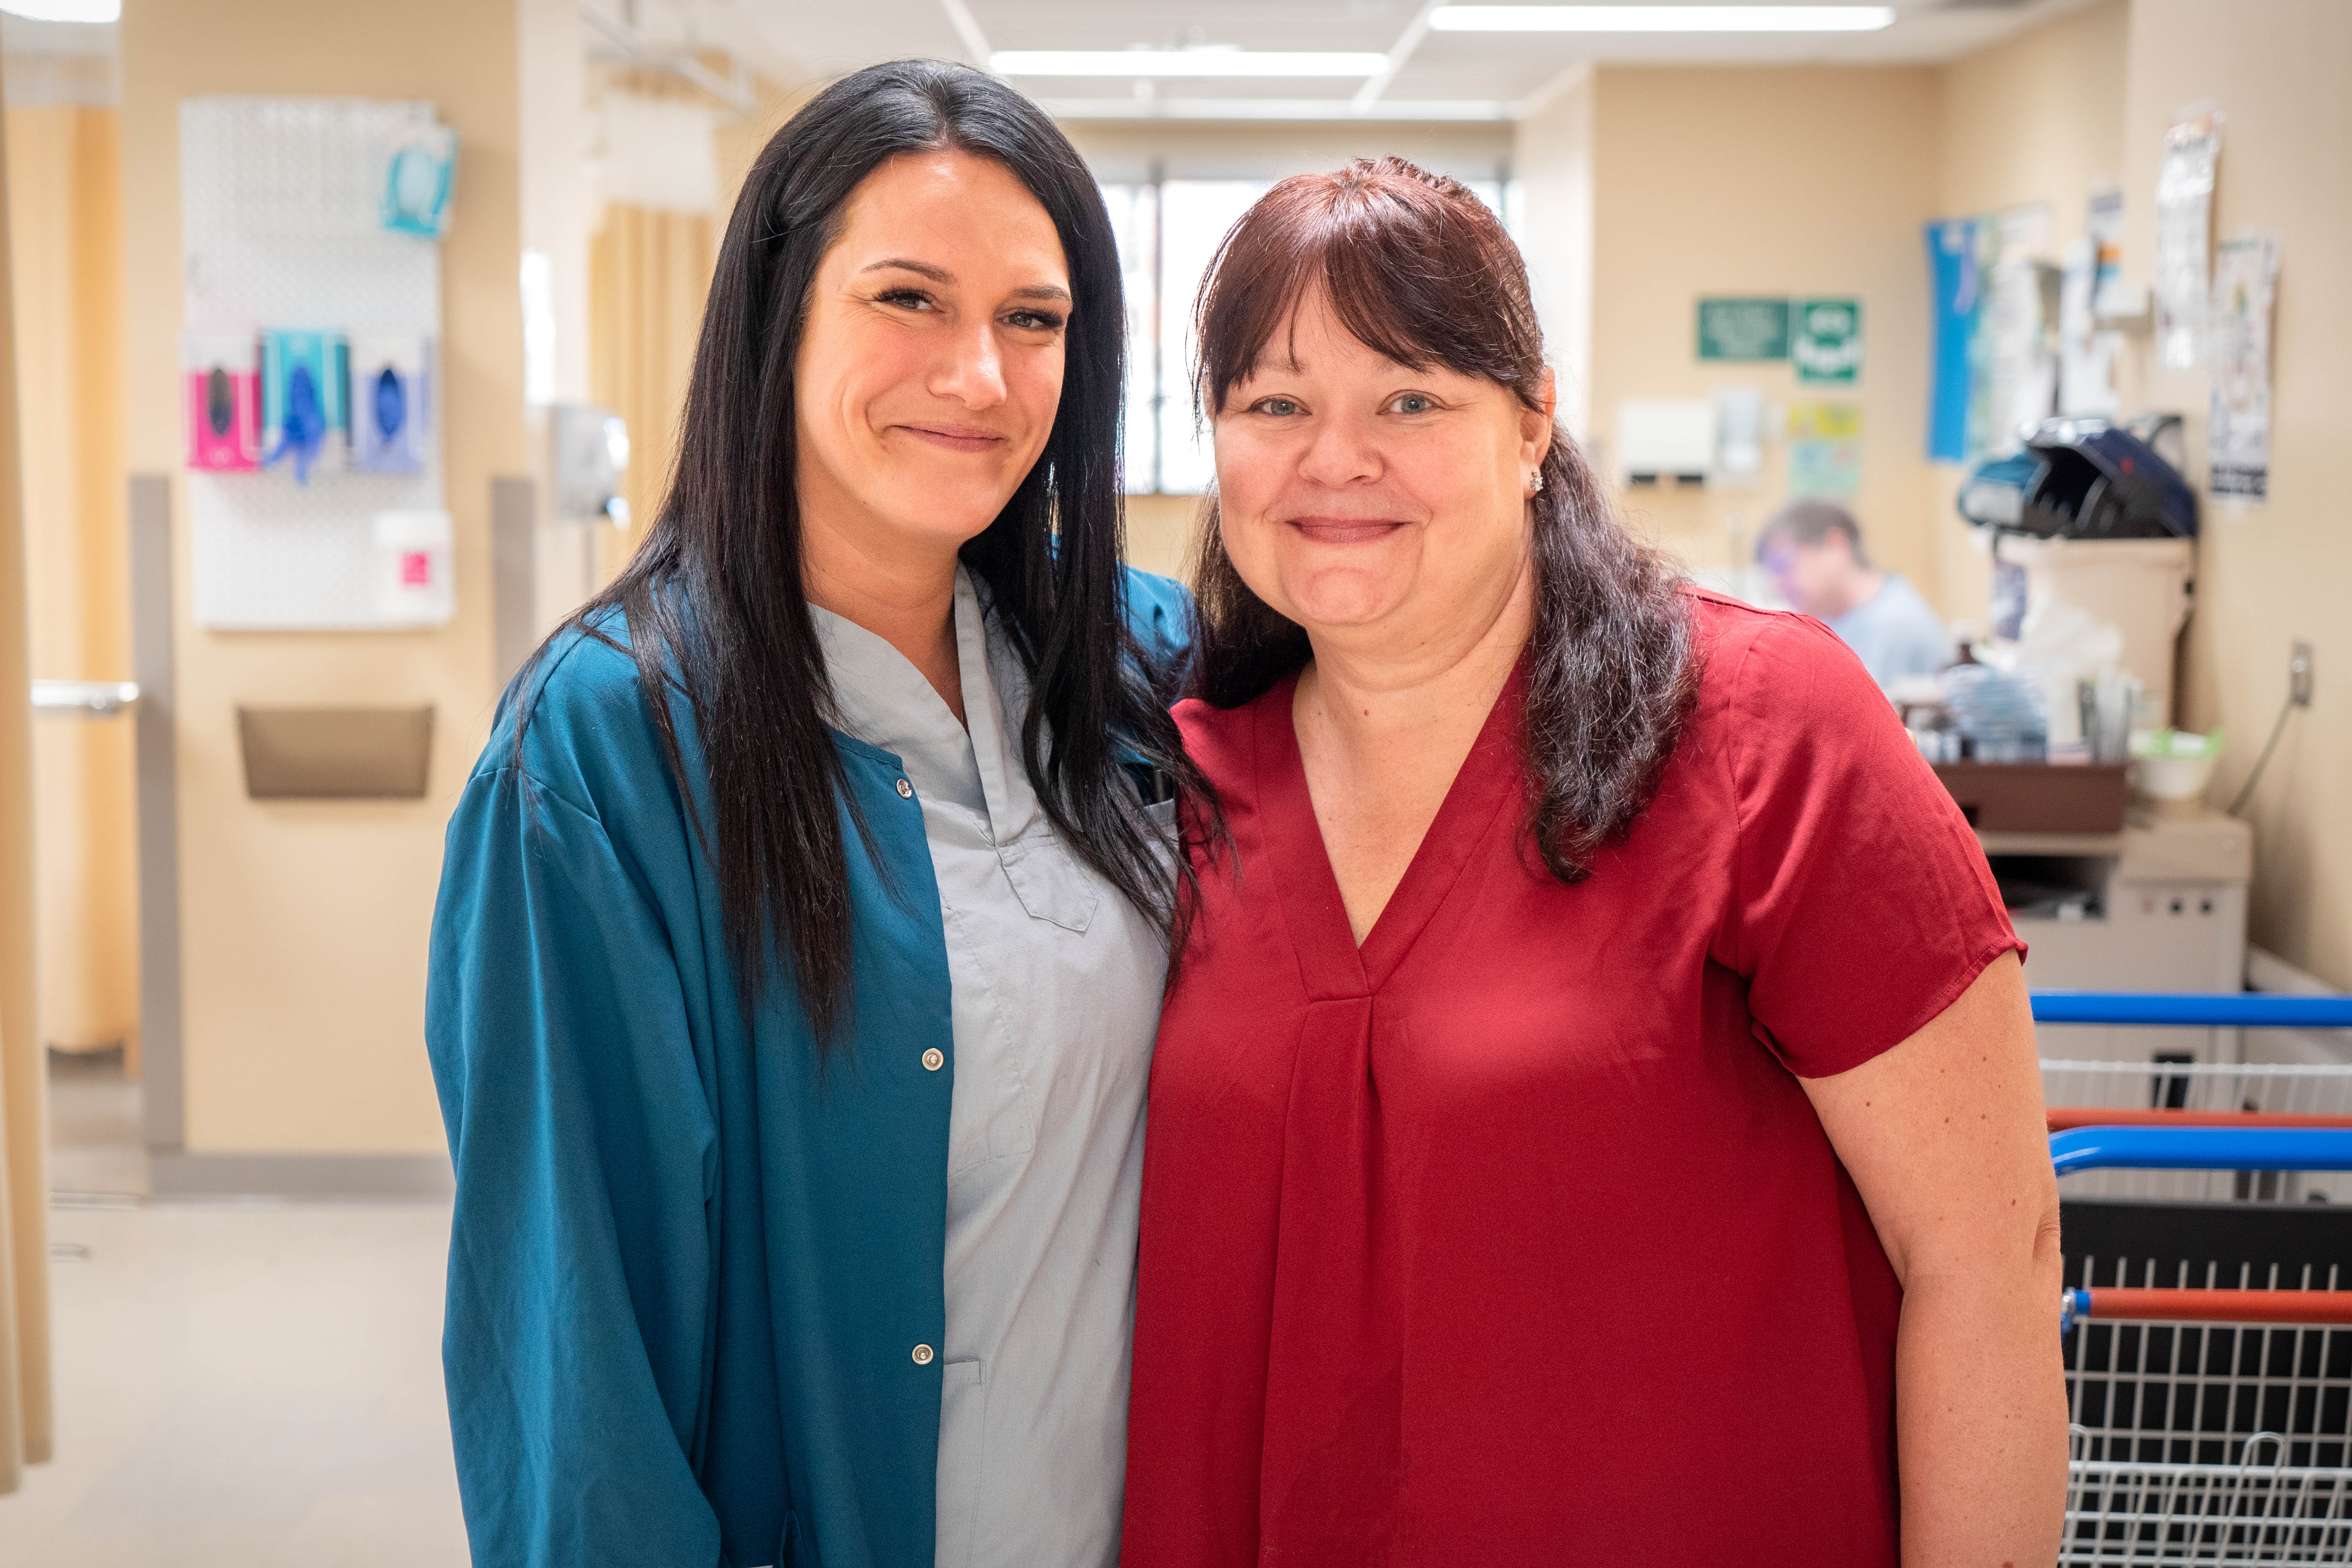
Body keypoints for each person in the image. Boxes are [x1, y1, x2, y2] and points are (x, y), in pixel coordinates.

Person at [1121, 159, 2065, 1566]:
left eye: (1410, 397)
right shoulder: (1170, 785)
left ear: (1533, 421)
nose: (1335, 457)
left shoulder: (1762, 736)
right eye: (1274, 403)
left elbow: (1988, 1269)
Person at [426, 61, 1201, 1568]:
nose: (977, 375)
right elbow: (573, 1362)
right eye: (908, 298)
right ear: (778, 315)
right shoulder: (600, 757)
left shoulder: (1127, 671)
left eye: (1031, 319)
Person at [1755, 497, 1948, 687]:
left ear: (1834, 545)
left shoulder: (1892, 625)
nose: (1778, 586)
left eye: (1783, 565)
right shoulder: (1841, 619)